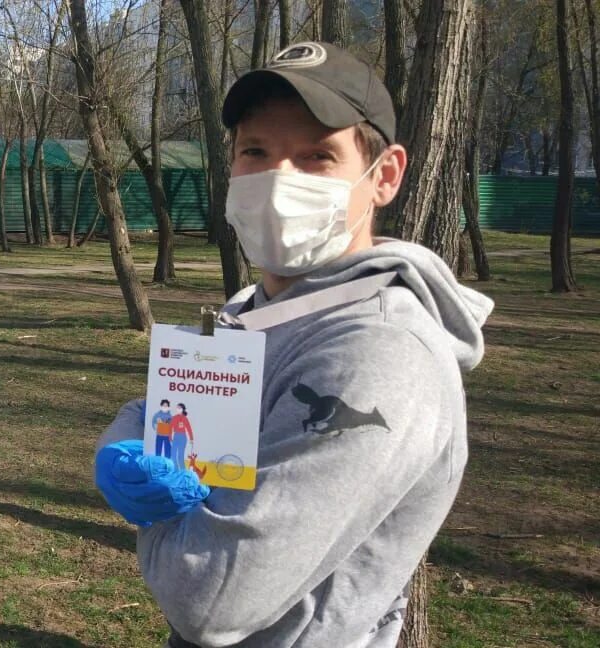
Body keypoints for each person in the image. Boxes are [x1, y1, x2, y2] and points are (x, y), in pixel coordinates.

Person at [94, 41, 494, 647]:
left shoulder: (378, 351)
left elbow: (210, 596)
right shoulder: (254, 311)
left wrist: (157, 515)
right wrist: (126, 438)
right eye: (256, 151)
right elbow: (175, 414)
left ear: (382, 176)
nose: (278, 180)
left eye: (315, 157)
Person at [168, 403, 193, 471]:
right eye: (177, 408)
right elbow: (170, 428)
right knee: (173, 456)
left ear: (183, 409)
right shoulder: (174, 417)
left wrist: (191, 438)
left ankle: (183, 472)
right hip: (176, 437)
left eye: (180, 408)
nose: (178, 409)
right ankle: (176, 471)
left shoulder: (185, 418)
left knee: (180, 456)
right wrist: (170, 438)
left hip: (182, 437)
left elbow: (189, 428)